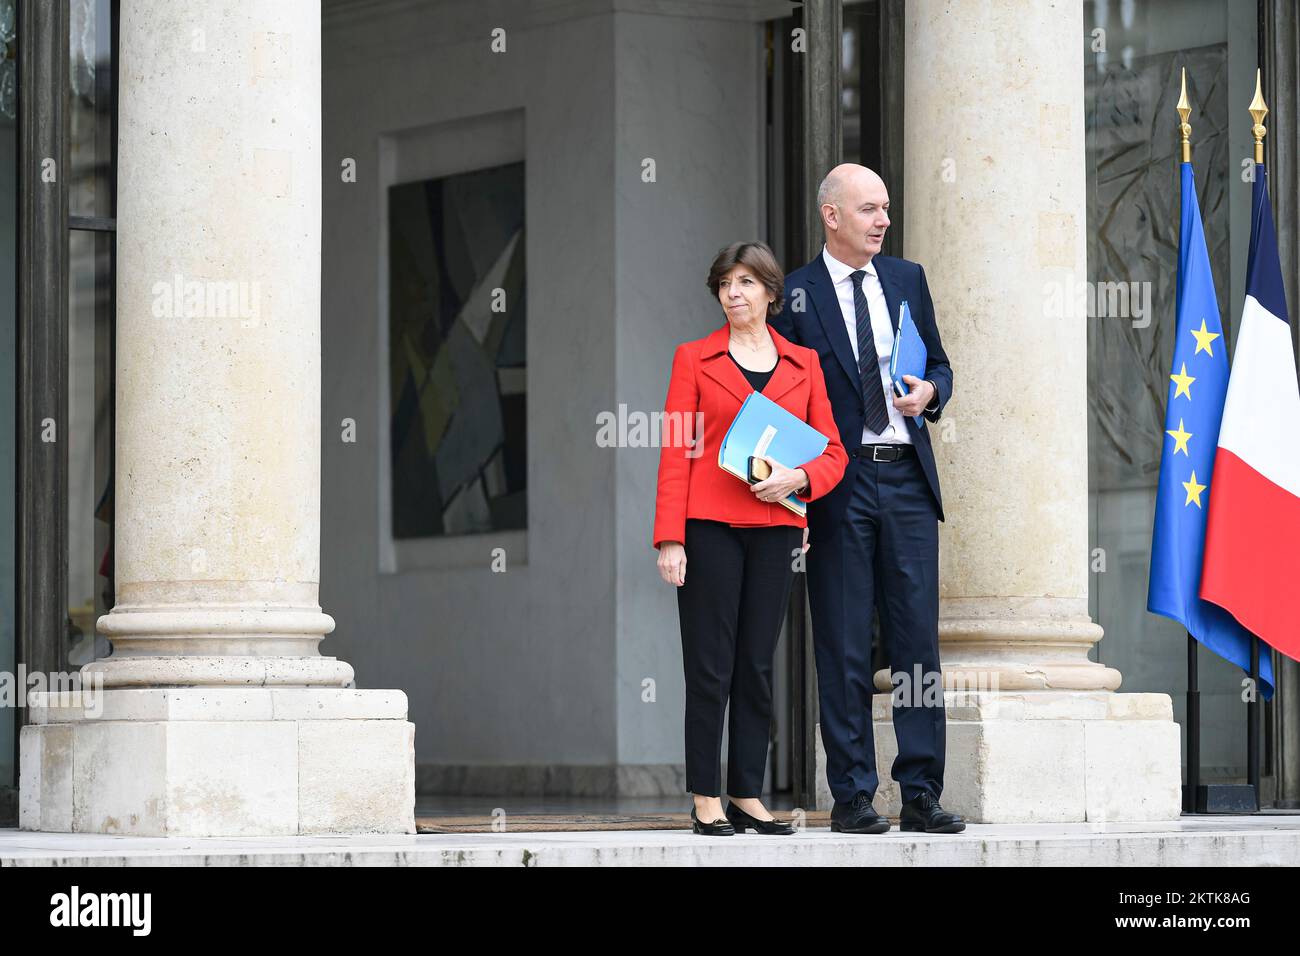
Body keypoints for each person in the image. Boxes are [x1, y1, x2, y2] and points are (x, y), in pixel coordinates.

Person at [770, 164, 965, 834]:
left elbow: (938, 364)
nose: (883, 220)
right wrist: (792, 501)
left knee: (917, 643)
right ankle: (852, 795)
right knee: (845, 641)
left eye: (885, 208)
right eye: (869, 210)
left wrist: (929, 394)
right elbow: (783, 407)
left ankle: (920, 793)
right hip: (837, 482)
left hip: (907, 475)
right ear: (832, 216)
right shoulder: (794, 296)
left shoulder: (907, 280)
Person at [653, 240, 848, 836]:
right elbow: (676, 451)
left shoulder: (804, 363)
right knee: (709, 667)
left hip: (777, 531)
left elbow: (834, 452)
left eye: (744, 282)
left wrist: (801, 479)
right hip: (708, 527)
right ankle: (705, 796)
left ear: (769, 291)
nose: (733, 293)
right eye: (724, 284)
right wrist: (670, 538)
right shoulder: (693, 358)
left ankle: (746, 794)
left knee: (756, 666)